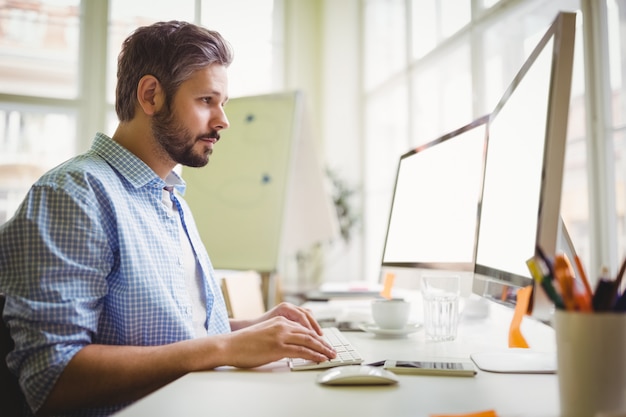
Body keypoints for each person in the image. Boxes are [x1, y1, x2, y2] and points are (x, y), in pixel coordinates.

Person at [0, 21, 336, 417]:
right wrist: (226, 348)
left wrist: (250, 327)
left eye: (223, 102)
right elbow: (52, 377)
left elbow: (176, 335)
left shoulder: (168, 195)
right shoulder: (73, 196)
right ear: (151, 95)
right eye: (207, 100)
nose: (223, 119)